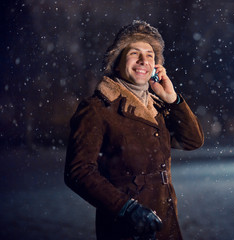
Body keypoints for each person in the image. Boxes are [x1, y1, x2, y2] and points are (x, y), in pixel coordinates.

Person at [64, 20, 204, 240]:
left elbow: (192, 141)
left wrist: (173, 99)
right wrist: (127, 209)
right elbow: (79, 171)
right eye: (134, 53)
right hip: (125, 227)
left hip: (165, 222)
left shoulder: (157, 107)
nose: (143, 60)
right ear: (117, 63)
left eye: (150, 55)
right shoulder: (97, 108)